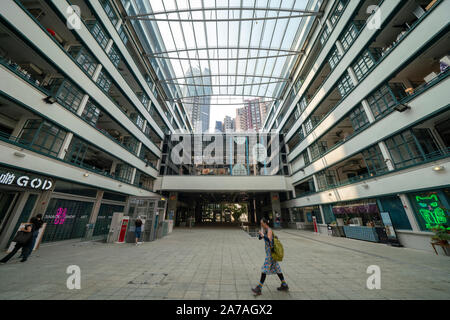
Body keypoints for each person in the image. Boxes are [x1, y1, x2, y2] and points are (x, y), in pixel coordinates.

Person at [252, 218, 289, 296]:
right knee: (277, 269)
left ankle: (259, 288)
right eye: (260, 223)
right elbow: (259, 238)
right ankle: (284, 285)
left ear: (265, 223)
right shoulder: (265, 230)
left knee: (264, 269)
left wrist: (263, 235)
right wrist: (261, 234)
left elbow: (269, 240)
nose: (261, 224)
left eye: (262, 223)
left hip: (271, 254)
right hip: (270, 253)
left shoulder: (269, 230)